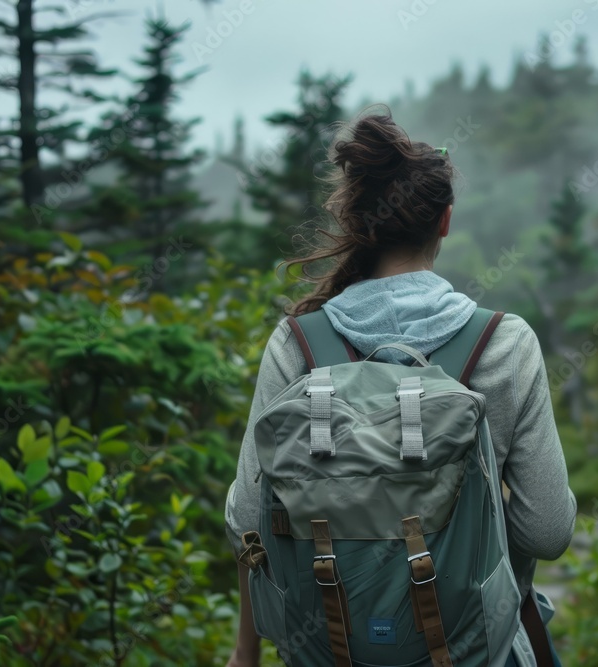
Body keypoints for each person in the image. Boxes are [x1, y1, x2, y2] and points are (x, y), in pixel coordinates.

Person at [224, 107, 576, 667]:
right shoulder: (504, 344)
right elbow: (548, 531)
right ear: (445, 221)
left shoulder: (298, 345)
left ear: (358, 221)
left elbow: (247, 521)